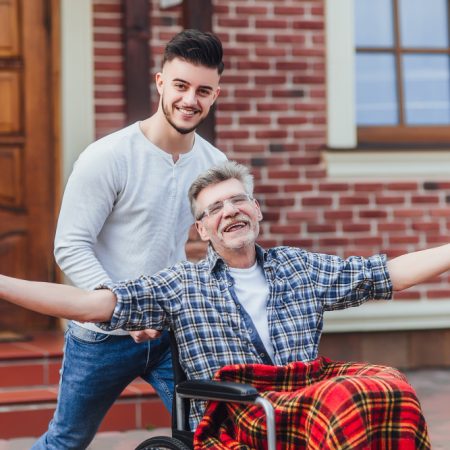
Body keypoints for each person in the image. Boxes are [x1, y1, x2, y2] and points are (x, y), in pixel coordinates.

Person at [1, 161, 442, 448]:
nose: (229, 211)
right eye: (215, 209)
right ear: (202, 231)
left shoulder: (297, 266)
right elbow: (87, 305)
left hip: (304, 392)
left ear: (256, 209)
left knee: (389, 384)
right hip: (237, 412)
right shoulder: (180, 285)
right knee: (346, 399)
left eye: (237, 200)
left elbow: (388, 275)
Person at [34, 29, 227, 449]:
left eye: (203, 90)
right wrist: (123, 307)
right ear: (160, 82)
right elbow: (69, 244)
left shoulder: (214, 164)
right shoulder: (108, 156)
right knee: (66, 441)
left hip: (170, 330)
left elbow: (221, 248)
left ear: (215, 94)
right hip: (100, 335)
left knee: (212, 436)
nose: (190, 99)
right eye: (180, 85)